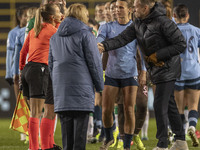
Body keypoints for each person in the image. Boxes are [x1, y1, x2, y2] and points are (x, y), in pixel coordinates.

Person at [98, 0, 189, 150]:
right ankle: (180, 141)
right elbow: (122, 39)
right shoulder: (138, 23)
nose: (133, 9)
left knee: (159, 105)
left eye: (135, 7)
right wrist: (104, 45)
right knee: (169, 103)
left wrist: (157, 55)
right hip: (156, 69)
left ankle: (162, 144)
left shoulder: (164, 22)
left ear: (145, 8)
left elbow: (181, 44)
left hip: (168, 69)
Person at [48, 3, 104, 150]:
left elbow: (51, 66)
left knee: (67, 141)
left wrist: (57, 86)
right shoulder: (86, 34)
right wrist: (100, 86)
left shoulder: (54, 37)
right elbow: (94, 63)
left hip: (62, 92)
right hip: (81, 93)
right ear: (82, 15)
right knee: (79, 141)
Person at [97, 0, 146, 149]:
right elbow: (99, 39)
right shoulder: (106, 27)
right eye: (115, 7)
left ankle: (126, 145)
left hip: (130, 74)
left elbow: (142, 52)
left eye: (120, 7)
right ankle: (109, 137)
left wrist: (143, 71)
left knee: (129, 109)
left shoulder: (136, 27)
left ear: (130, 9)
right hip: (111, 73)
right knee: (106, 110)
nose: (117, 10)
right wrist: (98, 44)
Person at [19, 4, 62, 150]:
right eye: (58, 11)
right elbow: (63, 38)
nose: (61, 13)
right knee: (37, 112)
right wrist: (60, 22)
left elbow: (22, 53)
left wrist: (21, 73)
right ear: (52, 17)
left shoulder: (34, 30)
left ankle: (48, 146)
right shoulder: (52, 30)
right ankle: (34, 148)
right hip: (40, 70)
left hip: (30, 69)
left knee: (48, 109)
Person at [173, 4, 200, 147]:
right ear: (187, 15)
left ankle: (180, 135)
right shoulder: (197, 31)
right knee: (193, 105)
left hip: (179, 72)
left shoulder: (173, 31)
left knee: (179, 107)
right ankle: (192, 127)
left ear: (174, 15)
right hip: (194, 71)